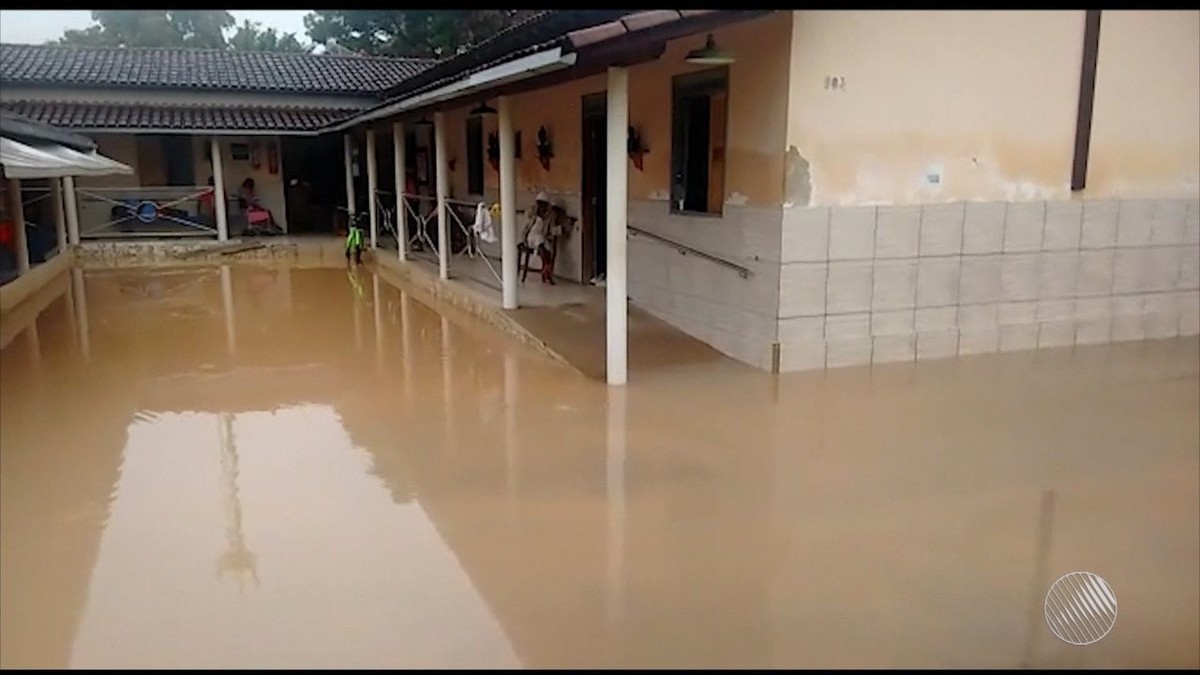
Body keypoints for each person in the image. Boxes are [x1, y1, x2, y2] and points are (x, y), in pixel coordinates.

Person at [519, 192, 556, 284]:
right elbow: (527, 225)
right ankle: (547, 268)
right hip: (531, 236)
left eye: (544, 204)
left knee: (545, 246)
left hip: (543, 237)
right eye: (540, 204)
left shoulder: (551, 215)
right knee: (539, 240)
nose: (541, 207)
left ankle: (546, 267)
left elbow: (551, 229)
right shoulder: (532, 211)